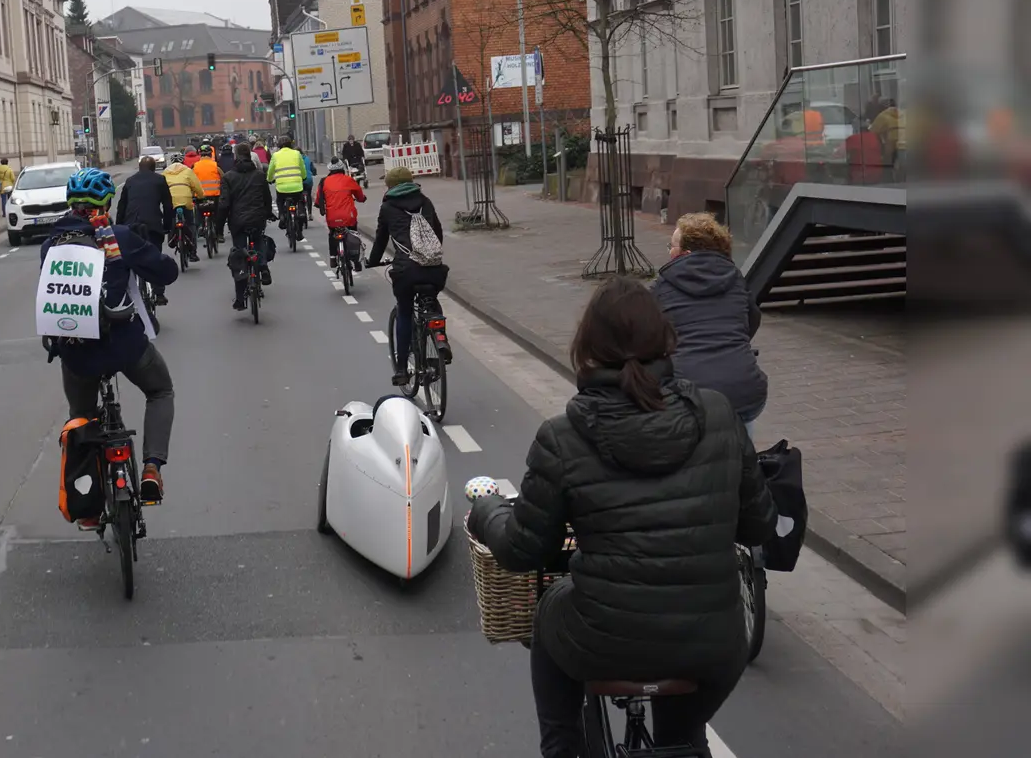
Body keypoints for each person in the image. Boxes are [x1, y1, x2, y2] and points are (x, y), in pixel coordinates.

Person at [467, 277, 777, 758]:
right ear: (665, 340)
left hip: (600, 640)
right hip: (713, 645)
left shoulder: (562, 436)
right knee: (681, 730)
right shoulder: (719, 415)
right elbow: (759, 526)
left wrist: (486, 511)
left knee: (550, 611)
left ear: (586, 348)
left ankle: (563, 746)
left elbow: (522, 549)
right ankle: (681, 739)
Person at [43, 168, 179, 504]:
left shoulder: (51, 246)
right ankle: (151, 469)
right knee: (160, 390)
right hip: (125, 345)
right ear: (105, 201)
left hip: (78, 353)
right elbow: (166, 272)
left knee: (82, 418)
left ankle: (87, 500)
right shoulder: (118, 237)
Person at [652, 213, 767, 440]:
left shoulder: (661, 288)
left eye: (671, 246)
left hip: (689, 394)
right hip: (745, 389)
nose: (668, 251)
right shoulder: (735, 278)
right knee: (741, 438)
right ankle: (745, 465)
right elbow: (752, 321)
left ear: (684, 253)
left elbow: (647, 337)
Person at [366, 166, 449, 386]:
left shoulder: (388, 207)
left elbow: (381, 240)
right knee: (431, 301)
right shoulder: (426, 201)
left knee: (404, 312)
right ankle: (442, 341)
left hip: (406, 271)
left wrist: (372, 261)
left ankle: (402, 369)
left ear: (390, 186)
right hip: (434, 269)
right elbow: (437, 233)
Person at [216, 143, 277, 311]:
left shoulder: (228, 177)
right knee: (258, 241)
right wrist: (268, 213)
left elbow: (223, 205)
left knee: (239, 255)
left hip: (238, 222)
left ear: (236, 157)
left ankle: (240, 299)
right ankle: (263, 267)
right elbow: (266, 197)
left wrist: (219, 228)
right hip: (257, 219)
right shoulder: (259, 175)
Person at [114, 155, 175, 304]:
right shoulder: (159, 180)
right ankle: (159, 293)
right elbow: (168, 206)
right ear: (154, 168)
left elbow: (121, 207)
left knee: (128, 259)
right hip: (152, 226)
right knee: (154, 256)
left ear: (139, 167)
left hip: (131, 226)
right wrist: (167, 226)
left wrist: (119, 228)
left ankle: (128, 292)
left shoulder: (130, 181)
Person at [316, 158, 366, 271]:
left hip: (332, 218)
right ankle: (356, 260)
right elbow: (359, 195)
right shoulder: (348, 180)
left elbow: (318, 199)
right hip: (349, 217)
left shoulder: (324, 182)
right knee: (353, 232)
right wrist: (362, 199)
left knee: (332, 234)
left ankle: (333, 257)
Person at [162, 153, 206, 261]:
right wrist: (201, 197)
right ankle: (193, 252)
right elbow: (197, 186)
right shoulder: (187, 171)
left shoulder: (165, 173)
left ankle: (172, 237)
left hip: (171, 200)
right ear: (183, 162)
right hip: (186, 199)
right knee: (191, 224)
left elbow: (161, 188)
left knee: (172, 219)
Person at [266, 136, 312, 239]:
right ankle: (300, 218)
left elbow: (271, 171)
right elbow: (302, 168)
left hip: (282, 188)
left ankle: (282, 216)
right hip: (296, 186)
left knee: (280, 201)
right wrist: (303, 177)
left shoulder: (276, 155)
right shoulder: (296, 154)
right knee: (299, 200)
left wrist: (269, 179)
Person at [192, 144, 225, 243]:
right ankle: (219, 234)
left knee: (199, 212)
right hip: (215, 195)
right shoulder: (215, 165)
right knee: (218, 215)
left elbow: (191, 180)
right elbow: (224, 178)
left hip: (200, 196)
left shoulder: (195, 166)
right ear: (211, 154)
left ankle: (201, 227)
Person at [300, 149, 319, 220]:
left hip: (299, 181)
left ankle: (300, 210)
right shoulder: (307, 159)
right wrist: (314, 173)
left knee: (299, 196)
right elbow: (313, 169)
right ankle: (310, 213)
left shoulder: (294, 159)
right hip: (308, 180)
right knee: (308, 195)